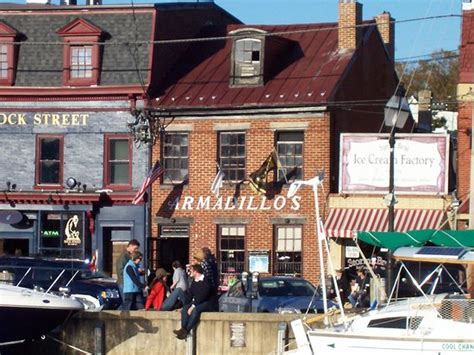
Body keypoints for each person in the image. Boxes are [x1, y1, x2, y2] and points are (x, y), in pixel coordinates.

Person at [173, 264, 213, 340]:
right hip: (197, 302)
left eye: (191, 270)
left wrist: (192, 306)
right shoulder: (194, 282)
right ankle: (183, 329)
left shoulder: (206, 281)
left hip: (208, 303)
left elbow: (203, 296)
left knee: (195, 310)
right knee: (185, 309)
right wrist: (181, 306)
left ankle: (186, 331)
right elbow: (190, 296)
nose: (189, 272)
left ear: (196, 272)